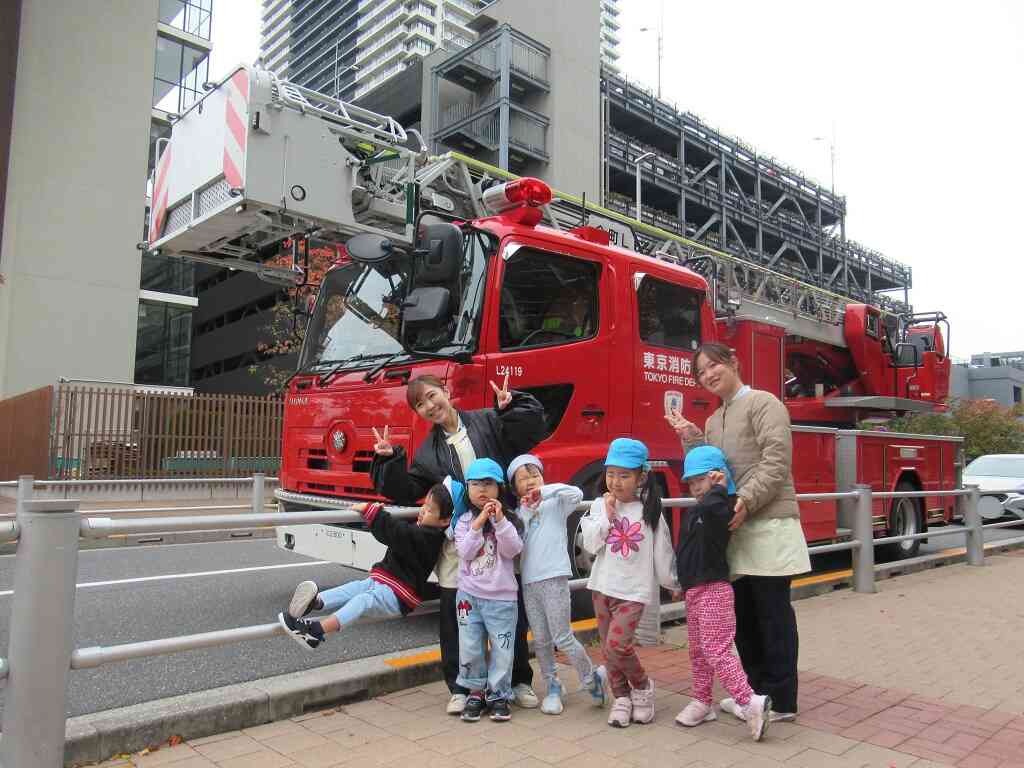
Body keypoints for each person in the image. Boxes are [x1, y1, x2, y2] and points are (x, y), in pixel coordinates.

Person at [370, 373, 545, 714]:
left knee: (509, 612)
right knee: (456, 615)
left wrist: (513, 406)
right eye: (420, 404)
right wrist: (389, 459)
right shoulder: (427, 451)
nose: (429, 406)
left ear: (447, 392)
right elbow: (407, 489)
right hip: (459, 538)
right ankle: (460, 686)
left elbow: (529, 432)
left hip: (500, 527)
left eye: (431, 396)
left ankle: (518, 680)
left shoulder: (488, 421)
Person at [666, 341, 811, 723]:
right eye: (701, 372)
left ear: (734, 363)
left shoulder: (765, 404)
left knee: (773, 614)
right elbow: (717, 468)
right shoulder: (715, 419)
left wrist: (744, 499)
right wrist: (694, 438)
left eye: (714, 365)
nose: (709, 375)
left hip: (767, 521)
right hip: (737, 527)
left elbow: (776, 462)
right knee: (742, 616)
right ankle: (756, 695)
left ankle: (782, 699)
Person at [277, 481, 455, 649]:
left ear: (444, 521)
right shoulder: (423, 529)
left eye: (430, 510)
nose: (423, 511)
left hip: (399, 596)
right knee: (355, 587)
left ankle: (316, 632)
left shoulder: (428, 537)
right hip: (386, 583)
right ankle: (316, 602)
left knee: (363, 600)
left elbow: (398, 533)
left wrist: (373, 512)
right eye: (424, 505)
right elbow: (403, 532)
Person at [673, 446, 771, 742]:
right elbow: (687, 551)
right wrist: (682, 583)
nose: (695, 487)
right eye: (691, 482)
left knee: (716, 649)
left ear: (718, 477)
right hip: (695, 589)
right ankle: (702, 701)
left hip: (715, 589)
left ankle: (748, 701)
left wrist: (719, 487)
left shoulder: (720, 507)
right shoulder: (698, 510)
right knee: (698, 651)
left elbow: (714, 511)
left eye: (701, 480)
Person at [580, 438, 678, 728]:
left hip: (633, 591)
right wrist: (607, 517)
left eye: (624, 475)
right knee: (608, 649)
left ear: (641, 477)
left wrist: (671, 581)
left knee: (617, 646)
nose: (616, 481)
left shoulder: (649, 511)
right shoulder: (599, 505)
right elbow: (590, 545)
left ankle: (643, 687)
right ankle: (621, 697)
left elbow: (663, 550)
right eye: (611, 474)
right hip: (602, 586)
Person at [508, 453, 608, 715]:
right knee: (540, 640)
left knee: (562, 636)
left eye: (535, 475)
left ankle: (591, 679)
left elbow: (575, 493)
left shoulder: (556, 503)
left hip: (554, 578)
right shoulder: (518, 513)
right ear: (514, 486)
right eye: (523, 478)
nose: (530, 481)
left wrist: (545, 491)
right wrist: (527, 510)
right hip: (529, 583)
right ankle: (553, 685)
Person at [453, 458, 524, 723]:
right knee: (470, 646)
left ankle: (499, 694)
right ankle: (474, 692)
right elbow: (465, 551)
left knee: (502, 649)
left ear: (499, 488)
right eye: (475, 484)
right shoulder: (463, 521)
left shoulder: (510, 520)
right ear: (468, 489)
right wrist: (480, 520)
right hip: (468, 597)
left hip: (502, 598)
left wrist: (499, 520)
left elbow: (512, 550)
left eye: (488, 484)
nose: (482, 490)